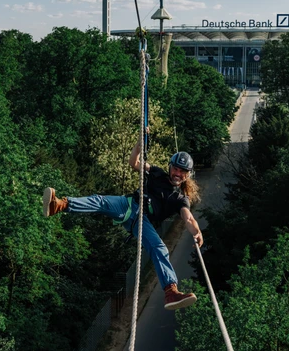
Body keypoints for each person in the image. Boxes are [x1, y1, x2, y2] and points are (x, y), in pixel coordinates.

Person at [42, 133, 203, 310]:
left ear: (187, 175)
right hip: (128, 205)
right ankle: (58, 205)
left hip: (142, 221)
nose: (177, 173)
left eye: (182, 171)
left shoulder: (180, 199)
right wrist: (139, 146)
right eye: (176, 169)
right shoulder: (157, 173)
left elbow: (188, 217)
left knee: (160, 248)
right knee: (100, 201)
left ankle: (170, 291)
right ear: (170, 167)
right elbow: (134, 162)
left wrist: (196, 231)